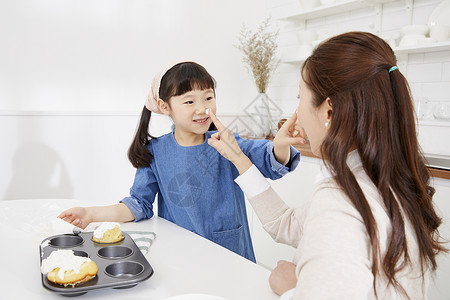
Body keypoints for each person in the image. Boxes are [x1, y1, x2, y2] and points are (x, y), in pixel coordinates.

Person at [207, 32, 447, 299]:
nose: (296, 112)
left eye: (300, 97)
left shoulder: (341, 199)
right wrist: (240, 159)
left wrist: (291, 288)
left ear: (329, 111)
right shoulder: (389, 182)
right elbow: (286, 223)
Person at [58, 61, 303, 262]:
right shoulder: (154, 151)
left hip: (231, 252)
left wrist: (280, 145)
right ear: (165, 107)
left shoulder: (226, 141)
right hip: (180, 254)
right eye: (189, 101)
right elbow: (138, 204)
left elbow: (268, 158)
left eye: (208, 98)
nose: (203, 109)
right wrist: (91, 214)